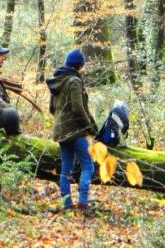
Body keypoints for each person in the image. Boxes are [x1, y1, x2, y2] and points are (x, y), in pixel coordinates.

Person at [46, 48, 98, 212]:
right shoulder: (74, 81)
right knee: (88, 166)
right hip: (75, 131)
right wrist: (89, 127)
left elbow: (52, 109)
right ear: (79, 65)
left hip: (61, 131)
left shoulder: (57, 80)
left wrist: (62, 121)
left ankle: (67, 205)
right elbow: (78, 107)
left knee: (66, 169)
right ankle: (82, 203)